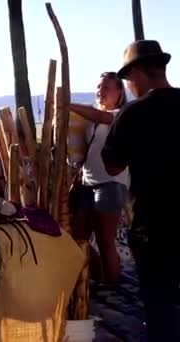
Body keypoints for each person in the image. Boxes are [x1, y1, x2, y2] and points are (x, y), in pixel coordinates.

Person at [101, 40, 180, 341]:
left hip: (155, 226)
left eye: (127, 79)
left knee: (160, 308)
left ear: (136, 73)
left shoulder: (132, 114)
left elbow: (112, 166)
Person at [68, 72, 129, 285]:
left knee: (105, 241)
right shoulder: (91, 121)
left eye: (105, 88)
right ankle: (100, 276)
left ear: (119, 91)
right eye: (98, 87)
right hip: (87, 183)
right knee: (79, 236)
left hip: (110, 184)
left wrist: (66, 104)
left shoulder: (120, 114)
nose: (99, 92)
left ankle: (113, 287)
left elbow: (101, 116)